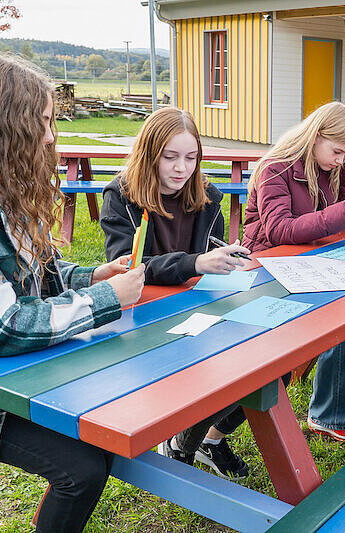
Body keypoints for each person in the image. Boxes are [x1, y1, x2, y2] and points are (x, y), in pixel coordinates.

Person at [0, 51, 145, 533]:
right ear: (4, 125)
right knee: (83, 469)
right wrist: (108, 300)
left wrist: (92, 277)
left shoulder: (6, 195)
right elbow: (1, 325)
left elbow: (41, 272)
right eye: (43, 122)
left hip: (14, 377)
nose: (52, 136)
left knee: (91, 459)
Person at [101, 107, 253, 479]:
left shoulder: (208, 197)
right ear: (149, 154)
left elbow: (206, 254)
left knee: (270, 367)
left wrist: (221, 259)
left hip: (199, 309)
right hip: (143, 319)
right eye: (169, 157)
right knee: (203, 376)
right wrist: (196, 263)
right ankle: (183, 444)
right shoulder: (120, 196)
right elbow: (128, 266)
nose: (181, 168)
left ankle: (204, 440)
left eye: (191, 157)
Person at [242, 102, 345, 442]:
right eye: (337, 151)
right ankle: (331, 413)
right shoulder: (275, 168)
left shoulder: (332, 165)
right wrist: (339, 214)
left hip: (311, 261)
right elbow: (279, 229)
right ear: (316, 136)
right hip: (268, 267)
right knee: (342, 312)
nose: (340, 160)